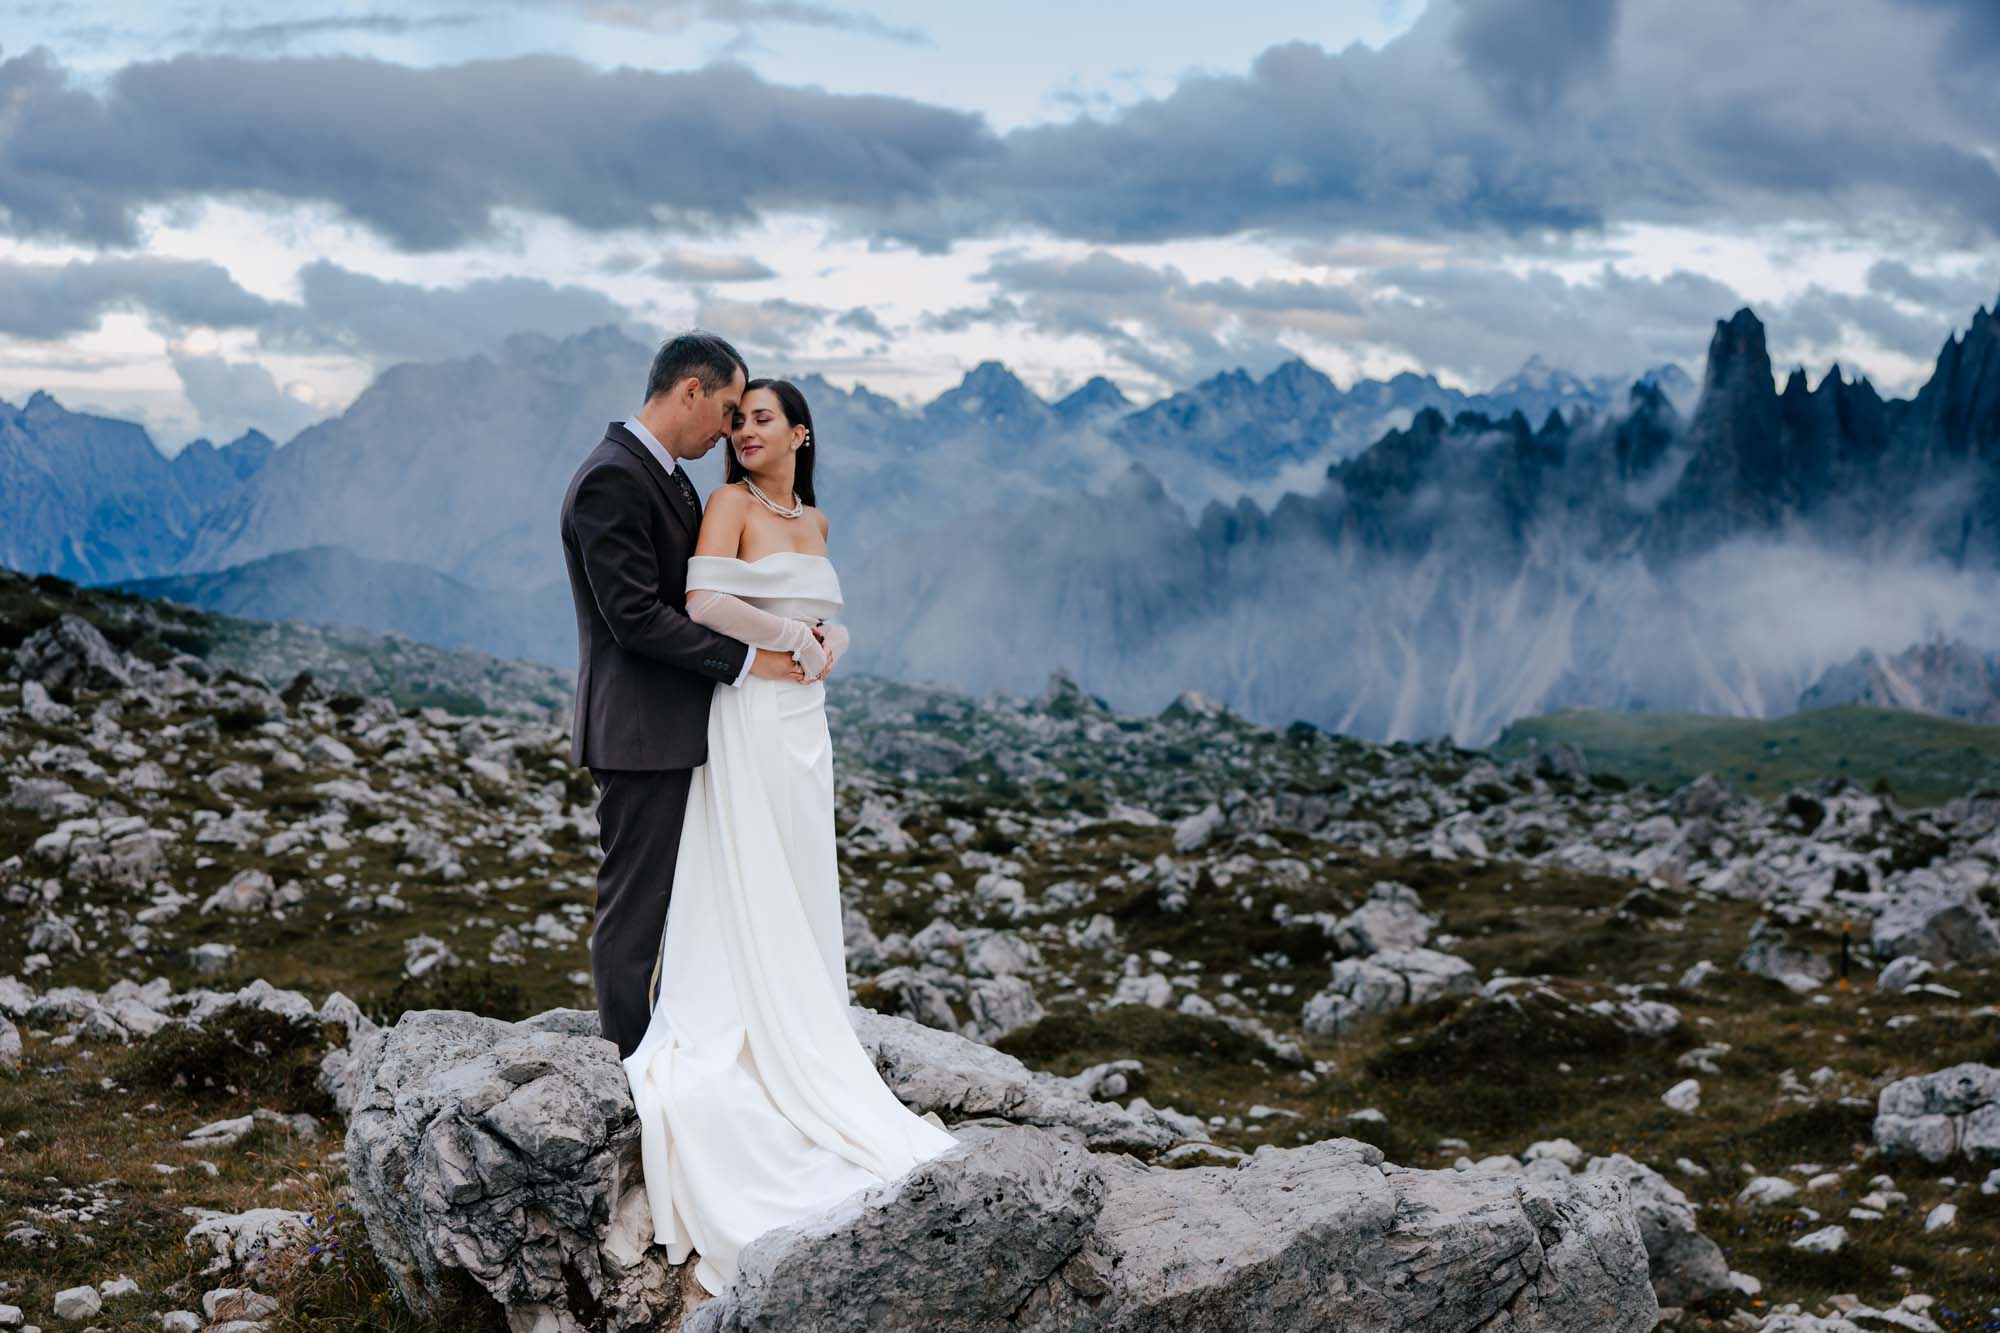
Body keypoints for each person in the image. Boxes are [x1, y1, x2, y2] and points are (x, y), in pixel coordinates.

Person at [621, 376, 959, 1298]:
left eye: (762, 419)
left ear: (801, 433)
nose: (744, 432)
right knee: (749, 864)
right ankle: (749, 1030)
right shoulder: (728, 504)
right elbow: (702, 600)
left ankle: (805, 1017)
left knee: (803, 870)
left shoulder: (815, 520)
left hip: (807, 720)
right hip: (750, 711)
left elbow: (828, 618)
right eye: (736, 420)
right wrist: (788, 640)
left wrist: (828, 645)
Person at [557, 333, 808, 1060]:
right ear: (690, 391)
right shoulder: (612, 478)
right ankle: (628, 1066)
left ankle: (672, 1051)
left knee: (684, 906)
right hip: (640, 733)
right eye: (728, 410)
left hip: (676, 729)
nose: (730, 430)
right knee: (635, 912)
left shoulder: (666, 476)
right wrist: (749, 660)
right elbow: (633, 617)